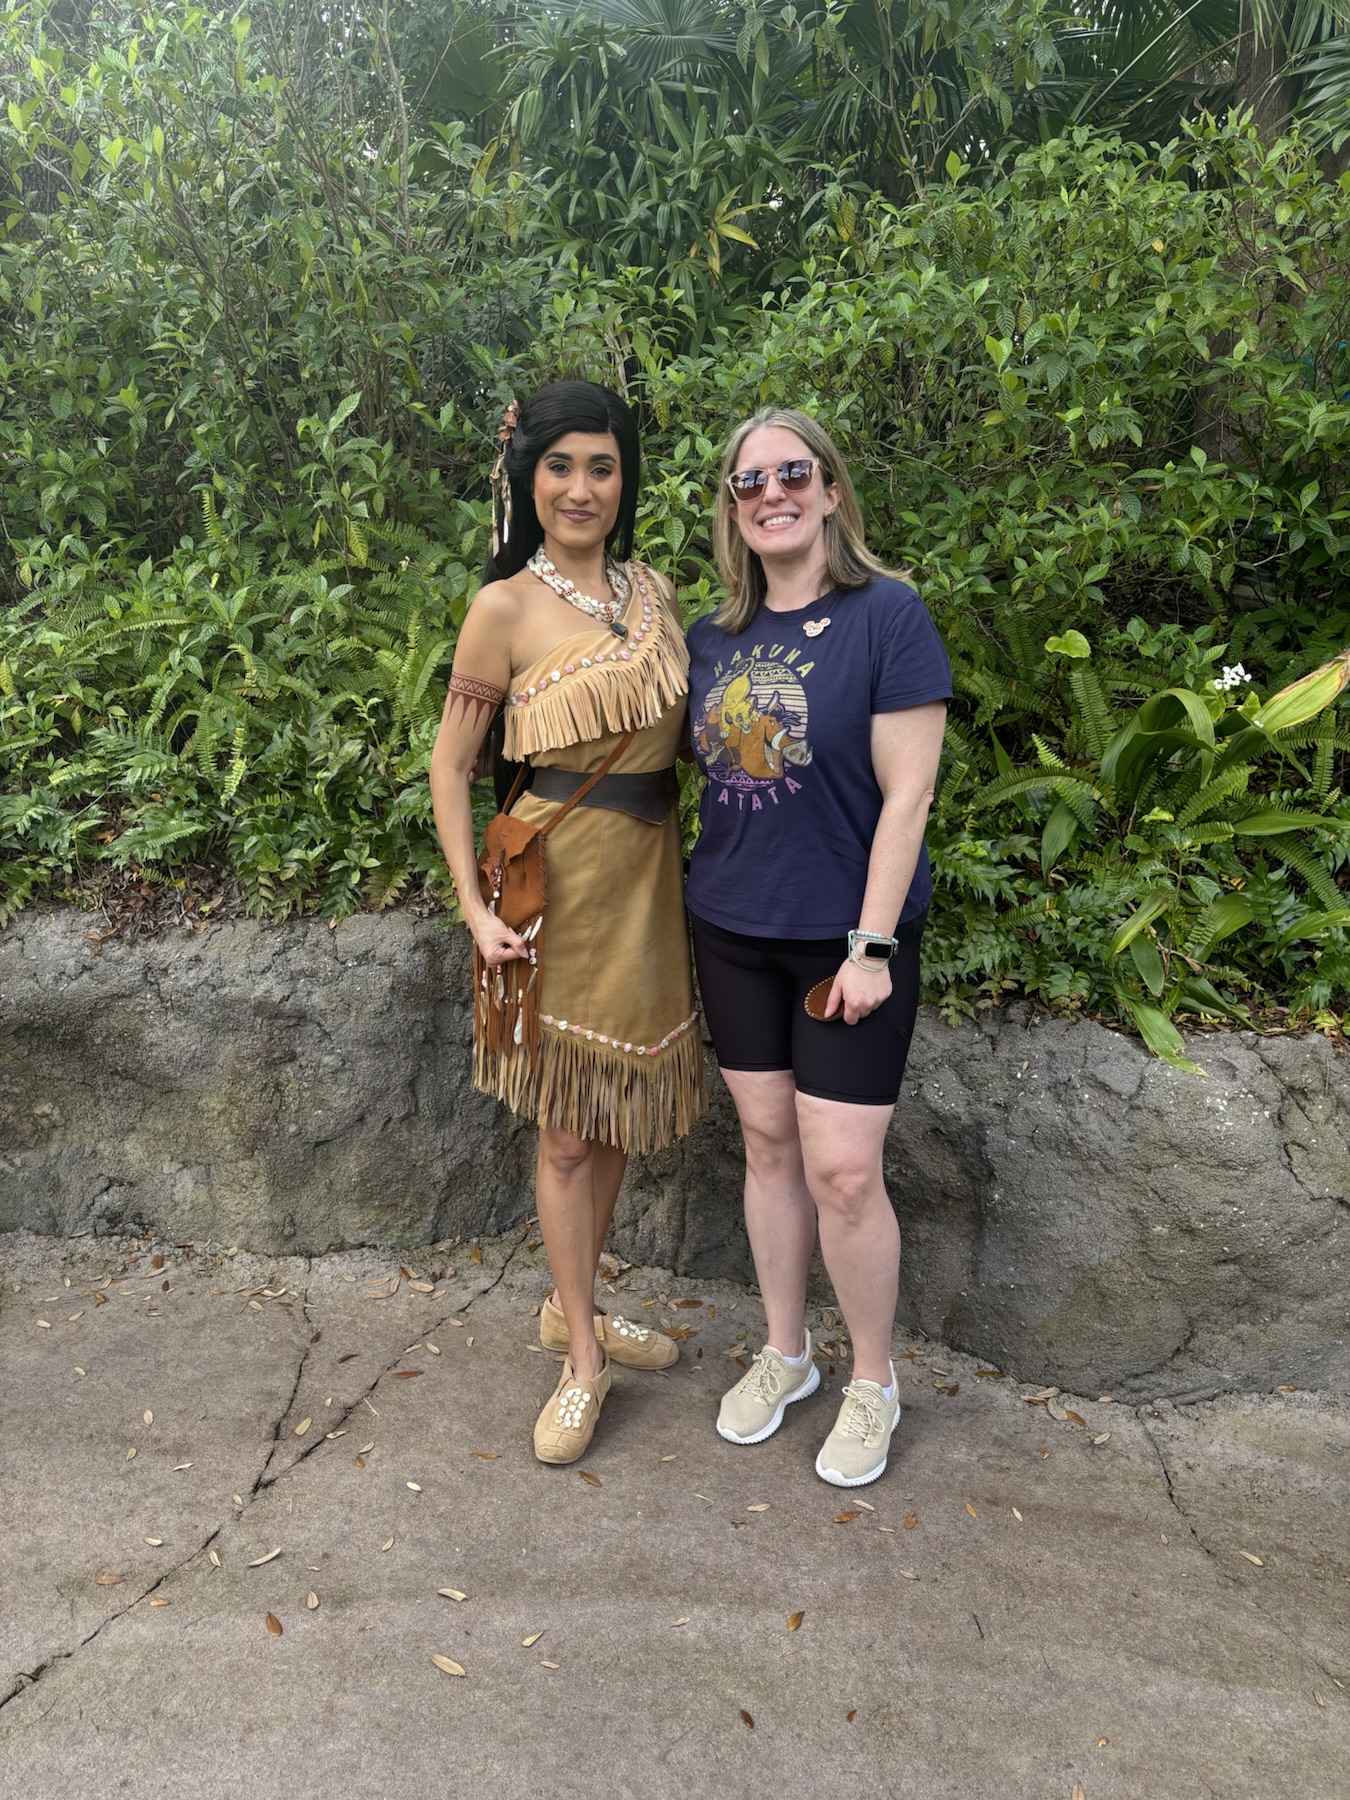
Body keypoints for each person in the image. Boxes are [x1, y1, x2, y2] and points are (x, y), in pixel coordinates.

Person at [429, 381, 706, 1465]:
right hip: (547, 884)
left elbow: (690, 743)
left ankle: (569, 1302)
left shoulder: (657, 591)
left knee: (621, 1103)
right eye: (560, 466)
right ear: (525, 477)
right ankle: (582, 1356)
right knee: (562, 1125)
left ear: (625, 477)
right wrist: (469, 909)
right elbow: (454, 770)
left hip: (648, 884)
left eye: (601, 465)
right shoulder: (503, 607)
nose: (582, 487)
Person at [685, 407, 950, 1487]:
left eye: (793, 472)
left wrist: (873, 944)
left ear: (831, 490)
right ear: (734, 510)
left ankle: (873, 1381)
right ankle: (786, 1354)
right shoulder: (713, 639)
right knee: (767, 1146)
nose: (772, 492)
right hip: (733, 927)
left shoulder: (888, 617)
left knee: (844, 1170)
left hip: (849, 944)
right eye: (750, 482)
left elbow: (910, 793)